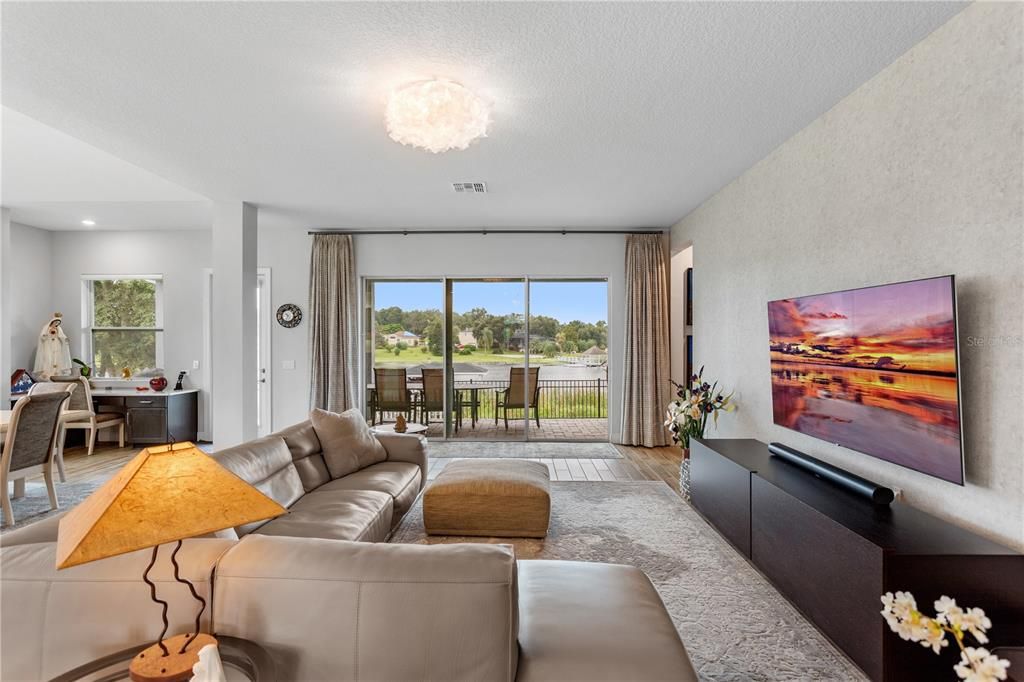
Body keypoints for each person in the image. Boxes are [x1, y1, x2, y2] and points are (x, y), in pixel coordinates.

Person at [34, 313, 73, 379]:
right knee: (48, 358)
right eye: (56, 322)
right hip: (48, 345)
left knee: (57, 358)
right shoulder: (46, 327)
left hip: (57, 344)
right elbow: (42, 336)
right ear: (53, 321)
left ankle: (56, 373)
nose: (57, 323)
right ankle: (48, 374)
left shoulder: (59, 328)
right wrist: (45, 336)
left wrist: (65, 339)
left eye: (58, 322)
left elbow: (62, 336)